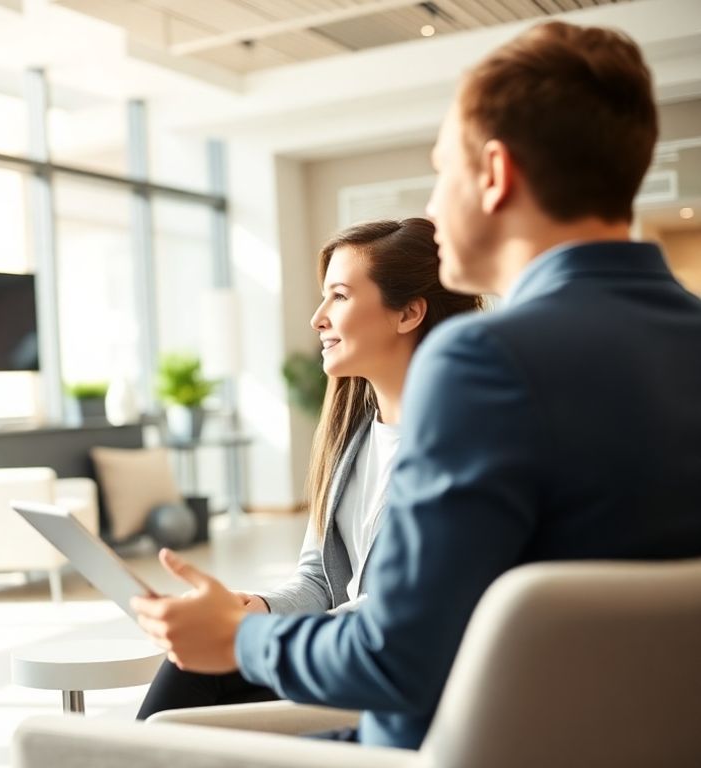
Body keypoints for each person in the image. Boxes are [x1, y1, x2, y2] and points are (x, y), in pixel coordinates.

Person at [131, 19, 701, 750]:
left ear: (494, 176)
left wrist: (241, 639)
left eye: (441, 170)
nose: (432, 210)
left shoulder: (483, 360)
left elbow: (395, 659)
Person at [136, 217, 481, 719]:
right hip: (336, 649)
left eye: (339, 296)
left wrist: (248, 636)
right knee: (188, 667)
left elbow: (399, 612)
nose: (318, 318)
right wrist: (257, 607)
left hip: (391, 681)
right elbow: (319, 579)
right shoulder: (352, 438)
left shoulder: (461, 445)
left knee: (193, 683)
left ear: (408, 312)